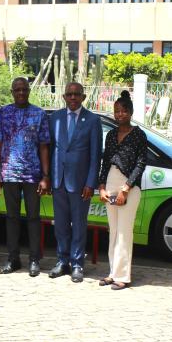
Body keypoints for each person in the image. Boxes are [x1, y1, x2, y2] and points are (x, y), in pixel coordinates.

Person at [0, 77, 50, 277]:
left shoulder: (39, 114)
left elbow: (43, 146)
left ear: (29, 91)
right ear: (12, 91)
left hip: (32, 175)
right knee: (12, 218)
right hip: (9, 174)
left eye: (24, 89)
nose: (21, 93)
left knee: (34, 218)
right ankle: (13, 258)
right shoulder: (2, 113)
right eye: (17, 90)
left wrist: (45, 176)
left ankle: (34, 260)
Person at [47, 82, 102, 283]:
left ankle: (77, 264)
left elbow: (96, 155)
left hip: (80, 183)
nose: (72, 98)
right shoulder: (55, 118)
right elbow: (51, 148)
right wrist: (48, 176)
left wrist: (90, 183)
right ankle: (62, 261)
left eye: (76, 94)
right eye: (69, 94)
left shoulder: (93, 120)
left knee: (79, 224)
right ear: (63, 96)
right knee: (60, 225)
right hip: (58, 180)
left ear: (83, 97)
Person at [98, 91, 147, 291]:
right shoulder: (110, 135)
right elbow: (105, 161)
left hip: (129, 186)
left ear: (131, 113)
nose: (119, 115)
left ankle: (123, 276)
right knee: (114, 231)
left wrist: (126, 189)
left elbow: (141, 163)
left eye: (124, 111)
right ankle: (113, 273)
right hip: (110, 183)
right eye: (117, 111)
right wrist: (101, 187)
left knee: (125, 232)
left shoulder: (139, 135)